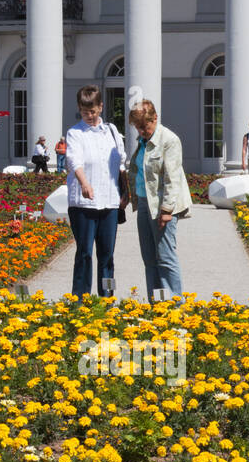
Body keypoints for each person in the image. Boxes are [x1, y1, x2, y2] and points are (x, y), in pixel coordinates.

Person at [125, 100, 192, 302]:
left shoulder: (169, 140)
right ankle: (156, 303)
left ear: (155, 118)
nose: (142, 130)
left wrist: (167, 210)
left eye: (145, 126)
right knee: (149, 258)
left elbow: (173, 178)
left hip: (163, 206)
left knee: (165, 256)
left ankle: (174, 304)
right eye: (138, 127)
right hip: (145, 203)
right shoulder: (143, 141)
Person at [64, 85, 126, 298]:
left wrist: (126, 192)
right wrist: (84, 183)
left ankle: (108, 298)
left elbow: (121, 161)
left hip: (110, 201)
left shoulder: (112, 131)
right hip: (84, 204)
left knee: (108, 256)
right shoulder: (75, 133)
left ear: (101, 106)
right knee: (84, 253)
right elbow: (74, 160)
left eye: (92, 111)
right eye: (84, 111)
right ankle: (79, 299)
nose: (89, 116)